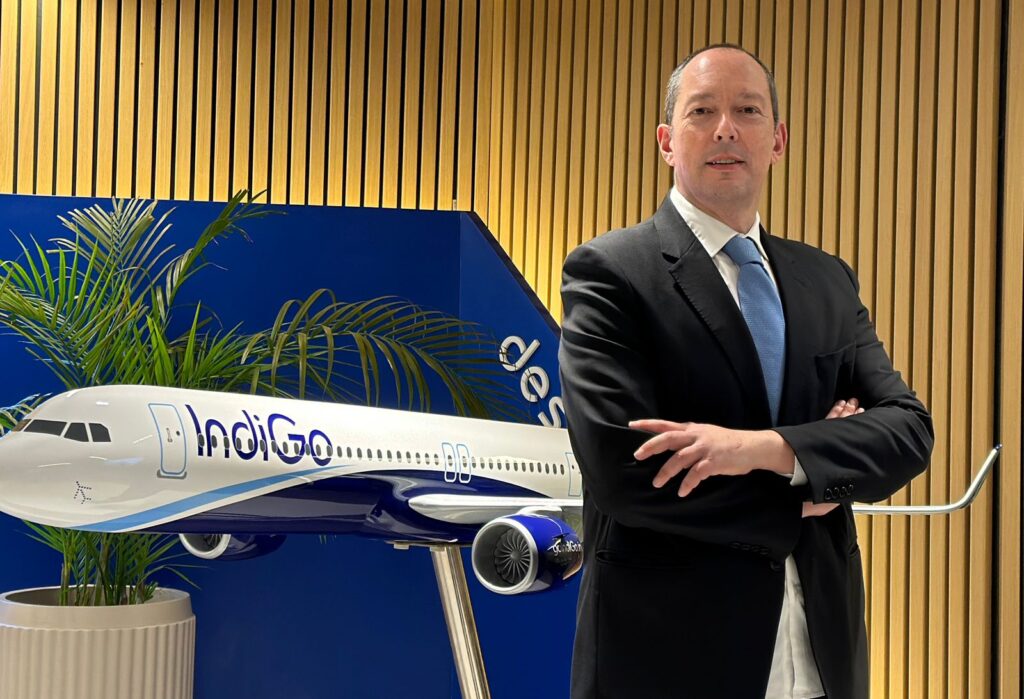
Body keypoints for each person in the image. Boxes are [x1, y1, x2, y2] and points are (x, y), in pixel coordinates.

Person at [558, 44, 933, 699]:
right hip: (669, 661)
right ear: (667, 141)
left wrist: (766, 449)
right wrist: (816, 470)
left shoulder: (827, 281)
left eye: (748, 110)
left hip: (821, 659)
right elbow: (628, 470)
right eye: (702, 111)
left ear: (778, 140)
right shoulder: (612, 273)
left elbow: (906, 429)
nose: (726, 126)